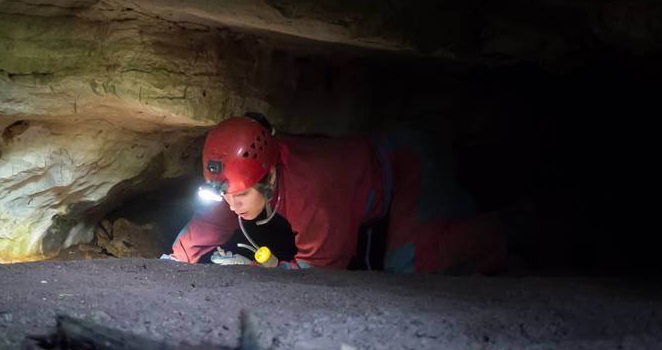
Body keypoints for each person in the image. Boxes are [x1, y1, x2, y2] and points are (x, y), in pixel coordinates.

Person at [165, 113, 507, 273]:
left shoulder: (313, 193)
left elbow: (321, 272)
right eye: (225, 196)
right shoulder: (243, 179)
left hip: (407, 164)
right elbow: (207, 225)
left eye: (239, 197)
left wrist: (255, 271)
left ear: (268, 178)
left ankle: (510, 229)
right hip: (372, 168)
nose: (231, 205)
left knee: (408, 269)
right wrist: (174, 260)